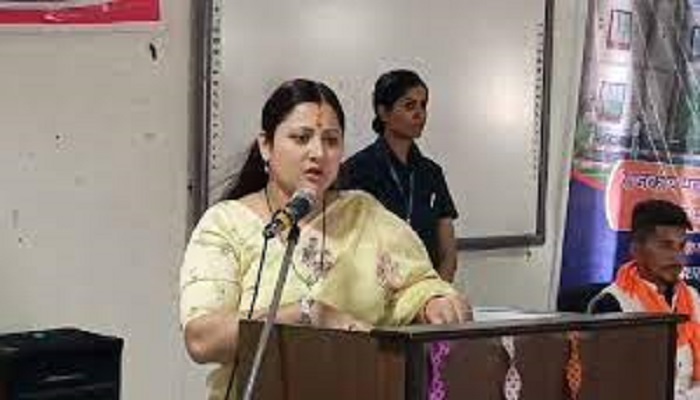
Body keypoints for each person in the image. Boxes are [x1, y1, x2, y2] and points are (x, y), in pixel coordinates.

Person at [179, 78, 471, 400]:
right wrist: (307, 314)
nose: (318, 153)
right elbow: (202, 340)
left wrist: (435, 303)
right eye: (301, 138)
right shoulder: (227, 224)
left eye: (331, 140)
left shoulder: (364, 214)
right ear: (266, 145)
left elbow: (417, 287)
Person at [338, 69, 459, 282]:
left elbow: (448, 255)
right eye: (409, 106)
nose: (420, 114)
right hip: (375, 293)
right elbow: (346, 250)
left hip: (429, 292)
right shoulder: (355, 170)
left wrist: (438, 293)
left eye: (423, 105)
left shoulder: (431, 173)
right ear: (383, 113)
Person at [588, 199, 700, 399]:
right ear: (636, 250)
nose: (677, 258)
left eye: (681, 247)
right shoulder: (612, 303)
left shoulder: (692, 297)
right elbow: (613, 387)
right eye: (666, 246)